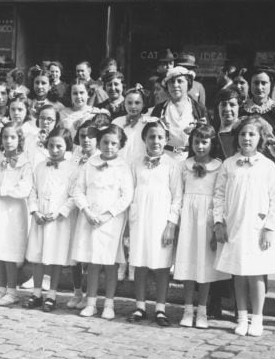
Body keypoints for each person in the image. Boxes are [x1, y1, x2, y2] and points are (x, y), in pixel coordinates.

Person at [214, 116, 275, 337]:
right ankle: (242, 316)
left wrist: (270, 227)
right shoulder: (229, 164)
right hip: (235, 225)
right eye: (243, 134)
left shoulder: (268, 166)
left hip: (258, 227)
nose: (246, 138)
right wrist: (218, 221)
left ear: (260, 137)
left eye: (251, 134)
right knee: (239, 273)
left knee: (256, 274)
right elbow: (219, 195)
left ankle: (258, 317)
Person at [71, 124, 133, 320]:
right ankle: (91, 303)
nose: (109, 146)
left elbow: (127, 196)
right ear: (99, 142)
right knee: (92, 262)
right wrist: (86, 211)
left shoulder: (123, 167)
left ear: (121, 145)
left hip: (111, 220)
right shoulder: (90, 163)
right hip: (90, 217)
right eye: (105, 142)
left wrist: (109, 214)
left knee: (110, 262)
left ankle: (109, 303)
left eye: (114, 143)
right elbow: (78, 190)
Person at [174, 124, 230, 329]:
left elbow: (219, 197)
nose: (200, 146)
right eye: (196, 141)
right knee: (188, 263)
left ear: (211, 143)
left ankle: (203, 310)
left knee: (205, 266)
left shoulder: (218, 165)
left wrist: (217, 225)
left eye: (204, 142)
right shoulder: (184, 165)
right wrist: (177, 222)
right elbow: (178, 195)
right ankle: (188, 309)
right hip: (189, 220)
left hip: (206, 220)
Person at [127, 120, 181, 327]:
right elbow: (129, 192)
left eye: (160, 137)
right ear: (144, 139)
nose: (155, 141)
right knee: (139, 263)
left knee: (161, 265)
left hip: (161, 220)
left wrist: (171, 224)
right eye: (151, 136)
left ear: (166, 139)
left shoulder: (172, 164)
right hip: (139, 218)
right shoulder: (134, 163)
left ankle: (160, 308)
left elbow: (177, 197)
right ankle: (140, 306)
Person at [24, 127, 78, 312]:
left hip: (58, 220)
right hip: (41, 216)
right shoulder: (40, 167)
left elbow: (73, 196)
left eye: (59, 146)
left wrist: (59, 213)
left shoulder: (72, 169)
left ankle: (52, 294)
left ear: (67, 146)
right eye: (51, 146)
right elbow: (32, 191)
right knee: (37, 256)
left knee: (56, 256)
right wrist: (34, 211)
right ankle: (37, 293)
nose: (54, 150)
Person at [0, 123, 34, 306]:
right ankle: (1, 289)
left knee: (11, 252)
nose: (9, 141)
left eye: (13, 137)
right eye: (5, 137)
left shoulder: (25, 163)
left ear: (19, 139)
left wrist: (2, 190)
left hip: (13, 213)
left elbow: (25, 188)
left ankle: (12, 291)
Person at [67, 119, 101, 308]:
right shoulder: (73, 157)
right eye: (82, 136)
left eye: (91, 136)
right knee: (75, 254)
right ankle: (77, 291)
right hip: (73, 209)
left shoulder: (99, 159)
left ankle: (90, 294)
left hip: (90, 210)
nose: (86, 140)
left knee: (89, 251)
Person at [151, 66, 209, 161]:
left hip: (192, 158)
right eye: (171, 82)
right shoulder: (159, 110)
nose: (175, 85)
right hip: (165, 158)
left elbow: (208, 136)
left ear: (188, 84)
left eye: (180, 81)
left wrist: (199, 129)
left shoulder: (199, 109)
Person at [239, 66, 275, 160]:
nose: (259, 87)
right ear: (250, 84)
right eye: (256, 83)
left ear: (271, 84)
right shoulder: (241, 110)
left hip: (271, 162)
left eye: (264, 83)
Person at [112, 85, 155, 163]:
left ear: (143, 104)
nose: (133, 106)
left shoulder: (148, 122)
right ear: (124, 104)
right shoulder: (117, 122)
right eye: (129, 103)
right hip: (121, 164)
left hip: (141, 164)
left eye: (137, 103)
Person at [214, 87, 243, 159]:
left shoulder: (245, 131)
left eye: (232, 105)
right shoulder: (212, 132)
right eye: (223, 104)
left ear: (239, 106)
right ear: (218, 107)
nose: (227, 109)